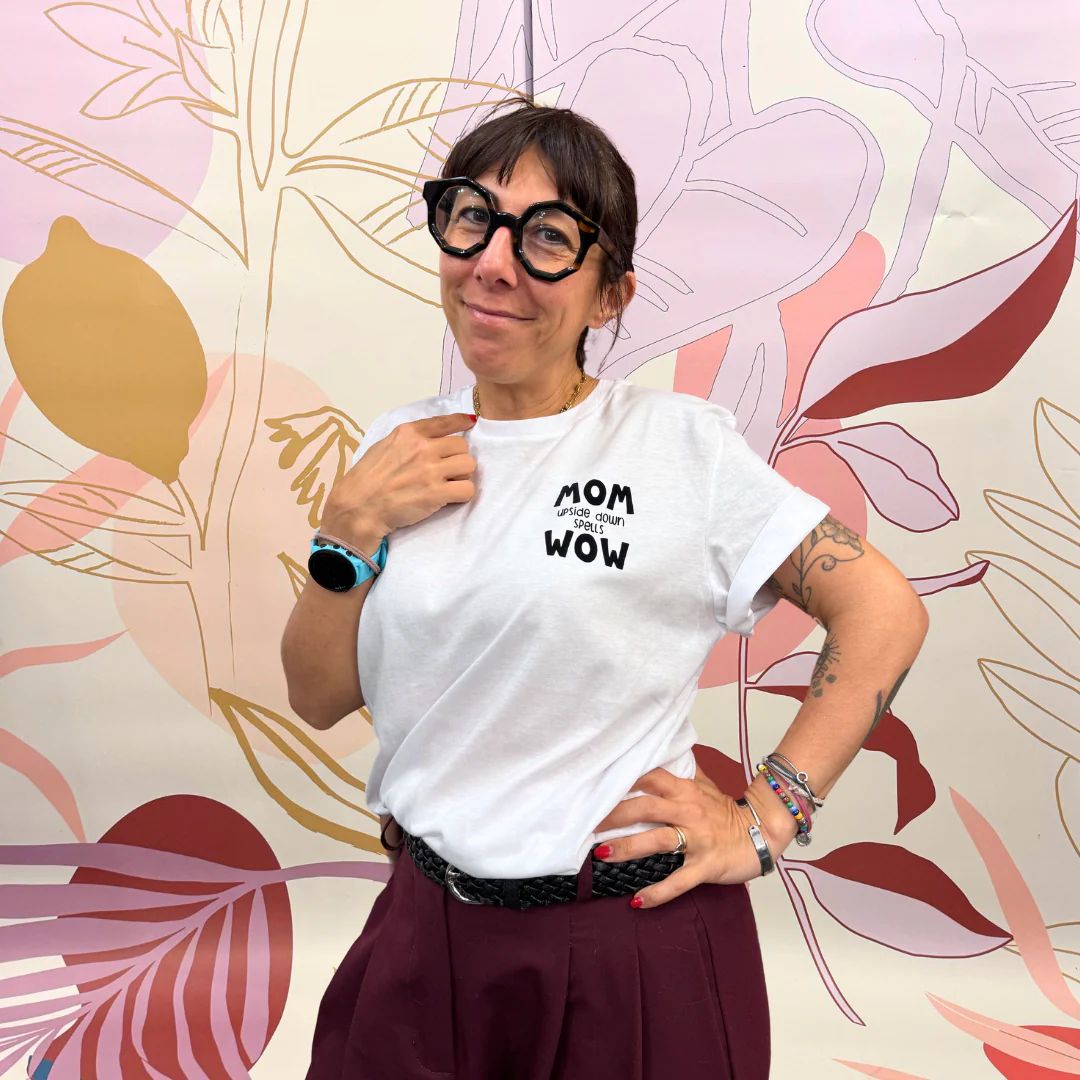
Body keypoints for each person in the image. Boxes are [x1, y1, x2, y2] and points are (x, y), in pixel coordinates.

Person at [282, 99, 928, 1080]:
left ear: (609, 295)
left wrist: (767, 818)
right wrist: (347, 529)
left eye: (547, 238)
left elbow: (883, 609)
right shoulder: (400, 447)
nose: (495, 263)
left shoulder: (677, 449)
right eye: (472, 217)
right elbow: (318, 695)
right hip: (426, 933)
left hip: (626, 944)